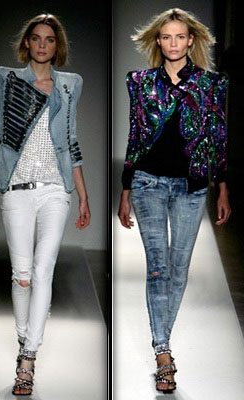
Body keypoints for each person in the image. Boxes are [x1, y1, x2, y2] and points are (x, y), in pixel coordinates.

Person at [0, 13, 90, 396]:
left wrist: (83, 195)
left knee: (43, 269)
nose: (42, 45)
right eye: (36, 38)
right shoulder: (6, 79)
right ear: (27, 43)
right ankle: (24, 338)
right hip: (17, 186)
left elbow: (71, 140)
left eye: (49, 39)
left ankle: (28, 358)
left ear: (57, 45)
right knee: (22, 275)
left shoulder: (70, 85)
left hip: (55, 189)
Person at [117, 8, 230, 393]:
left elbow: (217, 137)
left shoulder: (210, 85)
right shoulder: (141, 82)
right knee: (158, 267)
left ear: (191, 40)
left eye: (180, 36)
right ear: (158, 41)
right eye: (166, 37)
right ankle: (162, 351)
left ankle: (161, 340)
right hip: (148, 182)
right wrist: (126, 189)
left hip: (191, 186)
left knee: (179, 269)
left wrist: (223, 187)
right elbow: (135, 135)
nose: (173, 43)